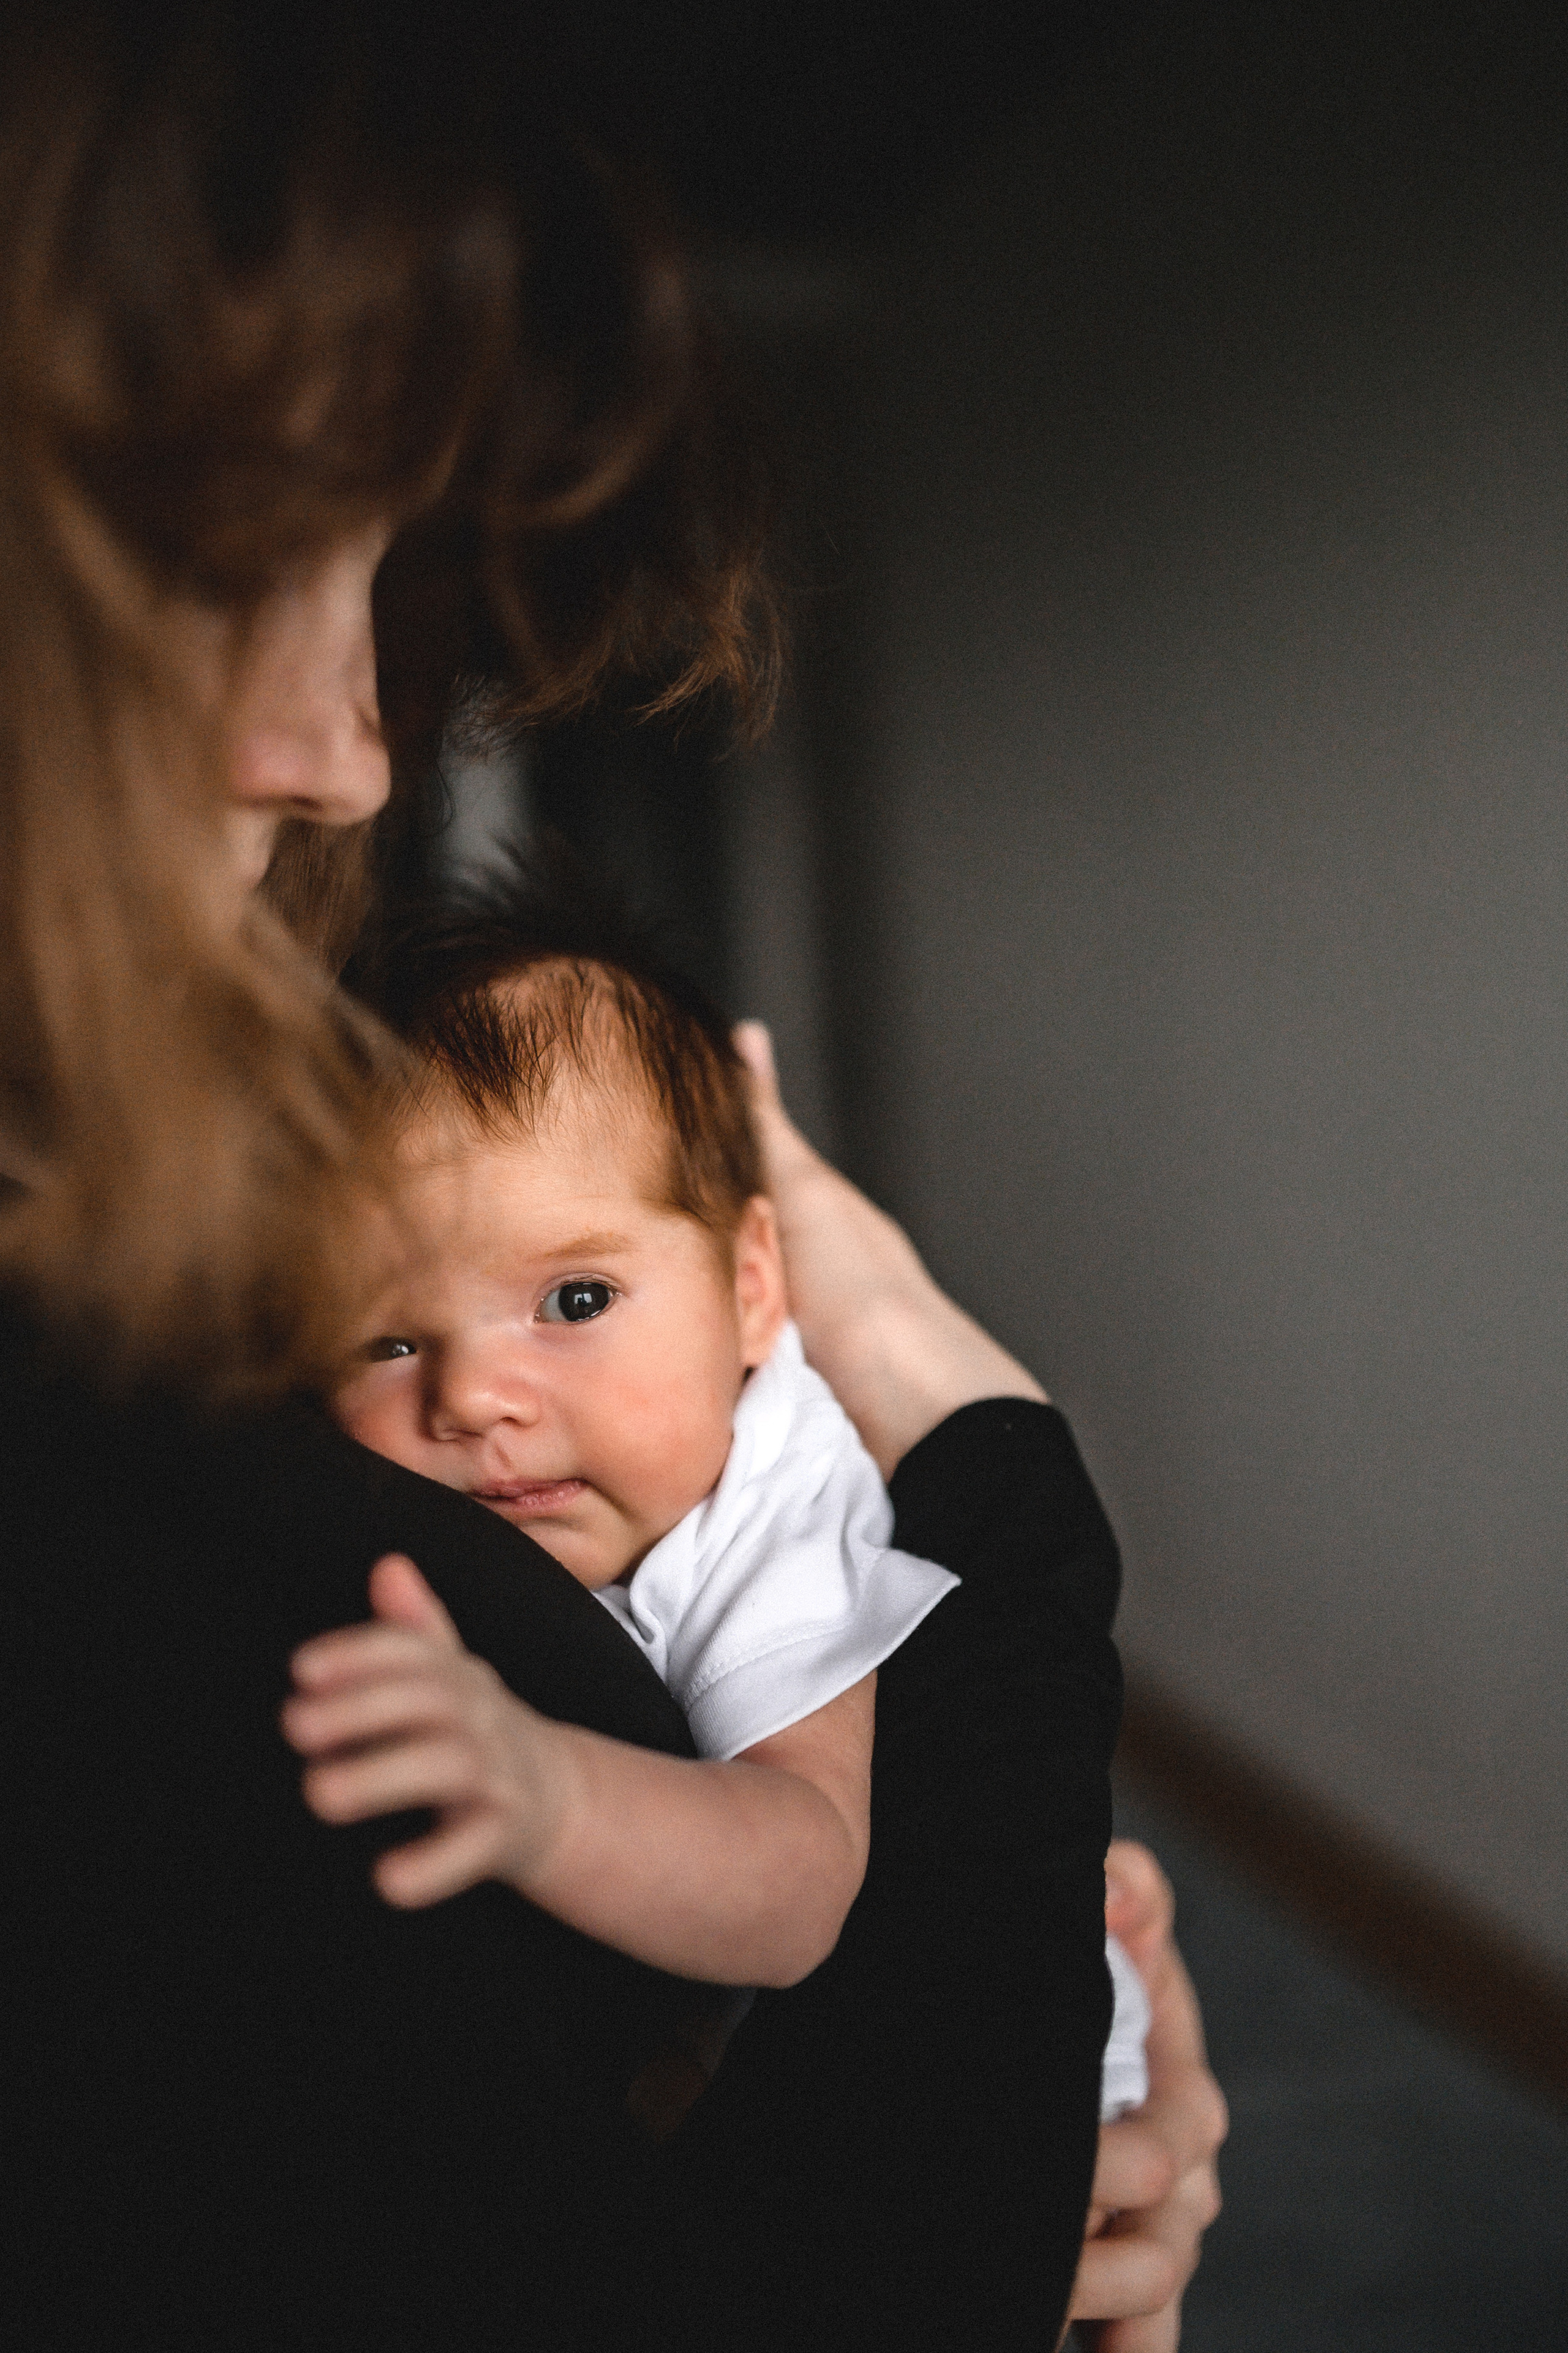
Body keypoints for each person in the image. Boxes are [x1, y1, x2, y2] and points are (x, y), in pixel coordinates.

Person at [0, 7, 1221, 2348]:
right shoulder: (104, 1545)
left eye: (370, 573)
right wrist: (999, 1474)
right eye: (221, 551)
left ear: (743, 1283)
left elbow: (782, 1906)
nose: (347, 746)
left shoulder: (764, 1504)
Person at [292, 902, 1149, 2118]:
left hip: (948, 2090)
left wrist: (545, 1793)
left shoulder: (766, 1506)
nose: (473, 1395)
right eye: (382, 1337)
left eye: (575, 1298)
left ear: (752, 1292)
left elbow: (798, 1883)